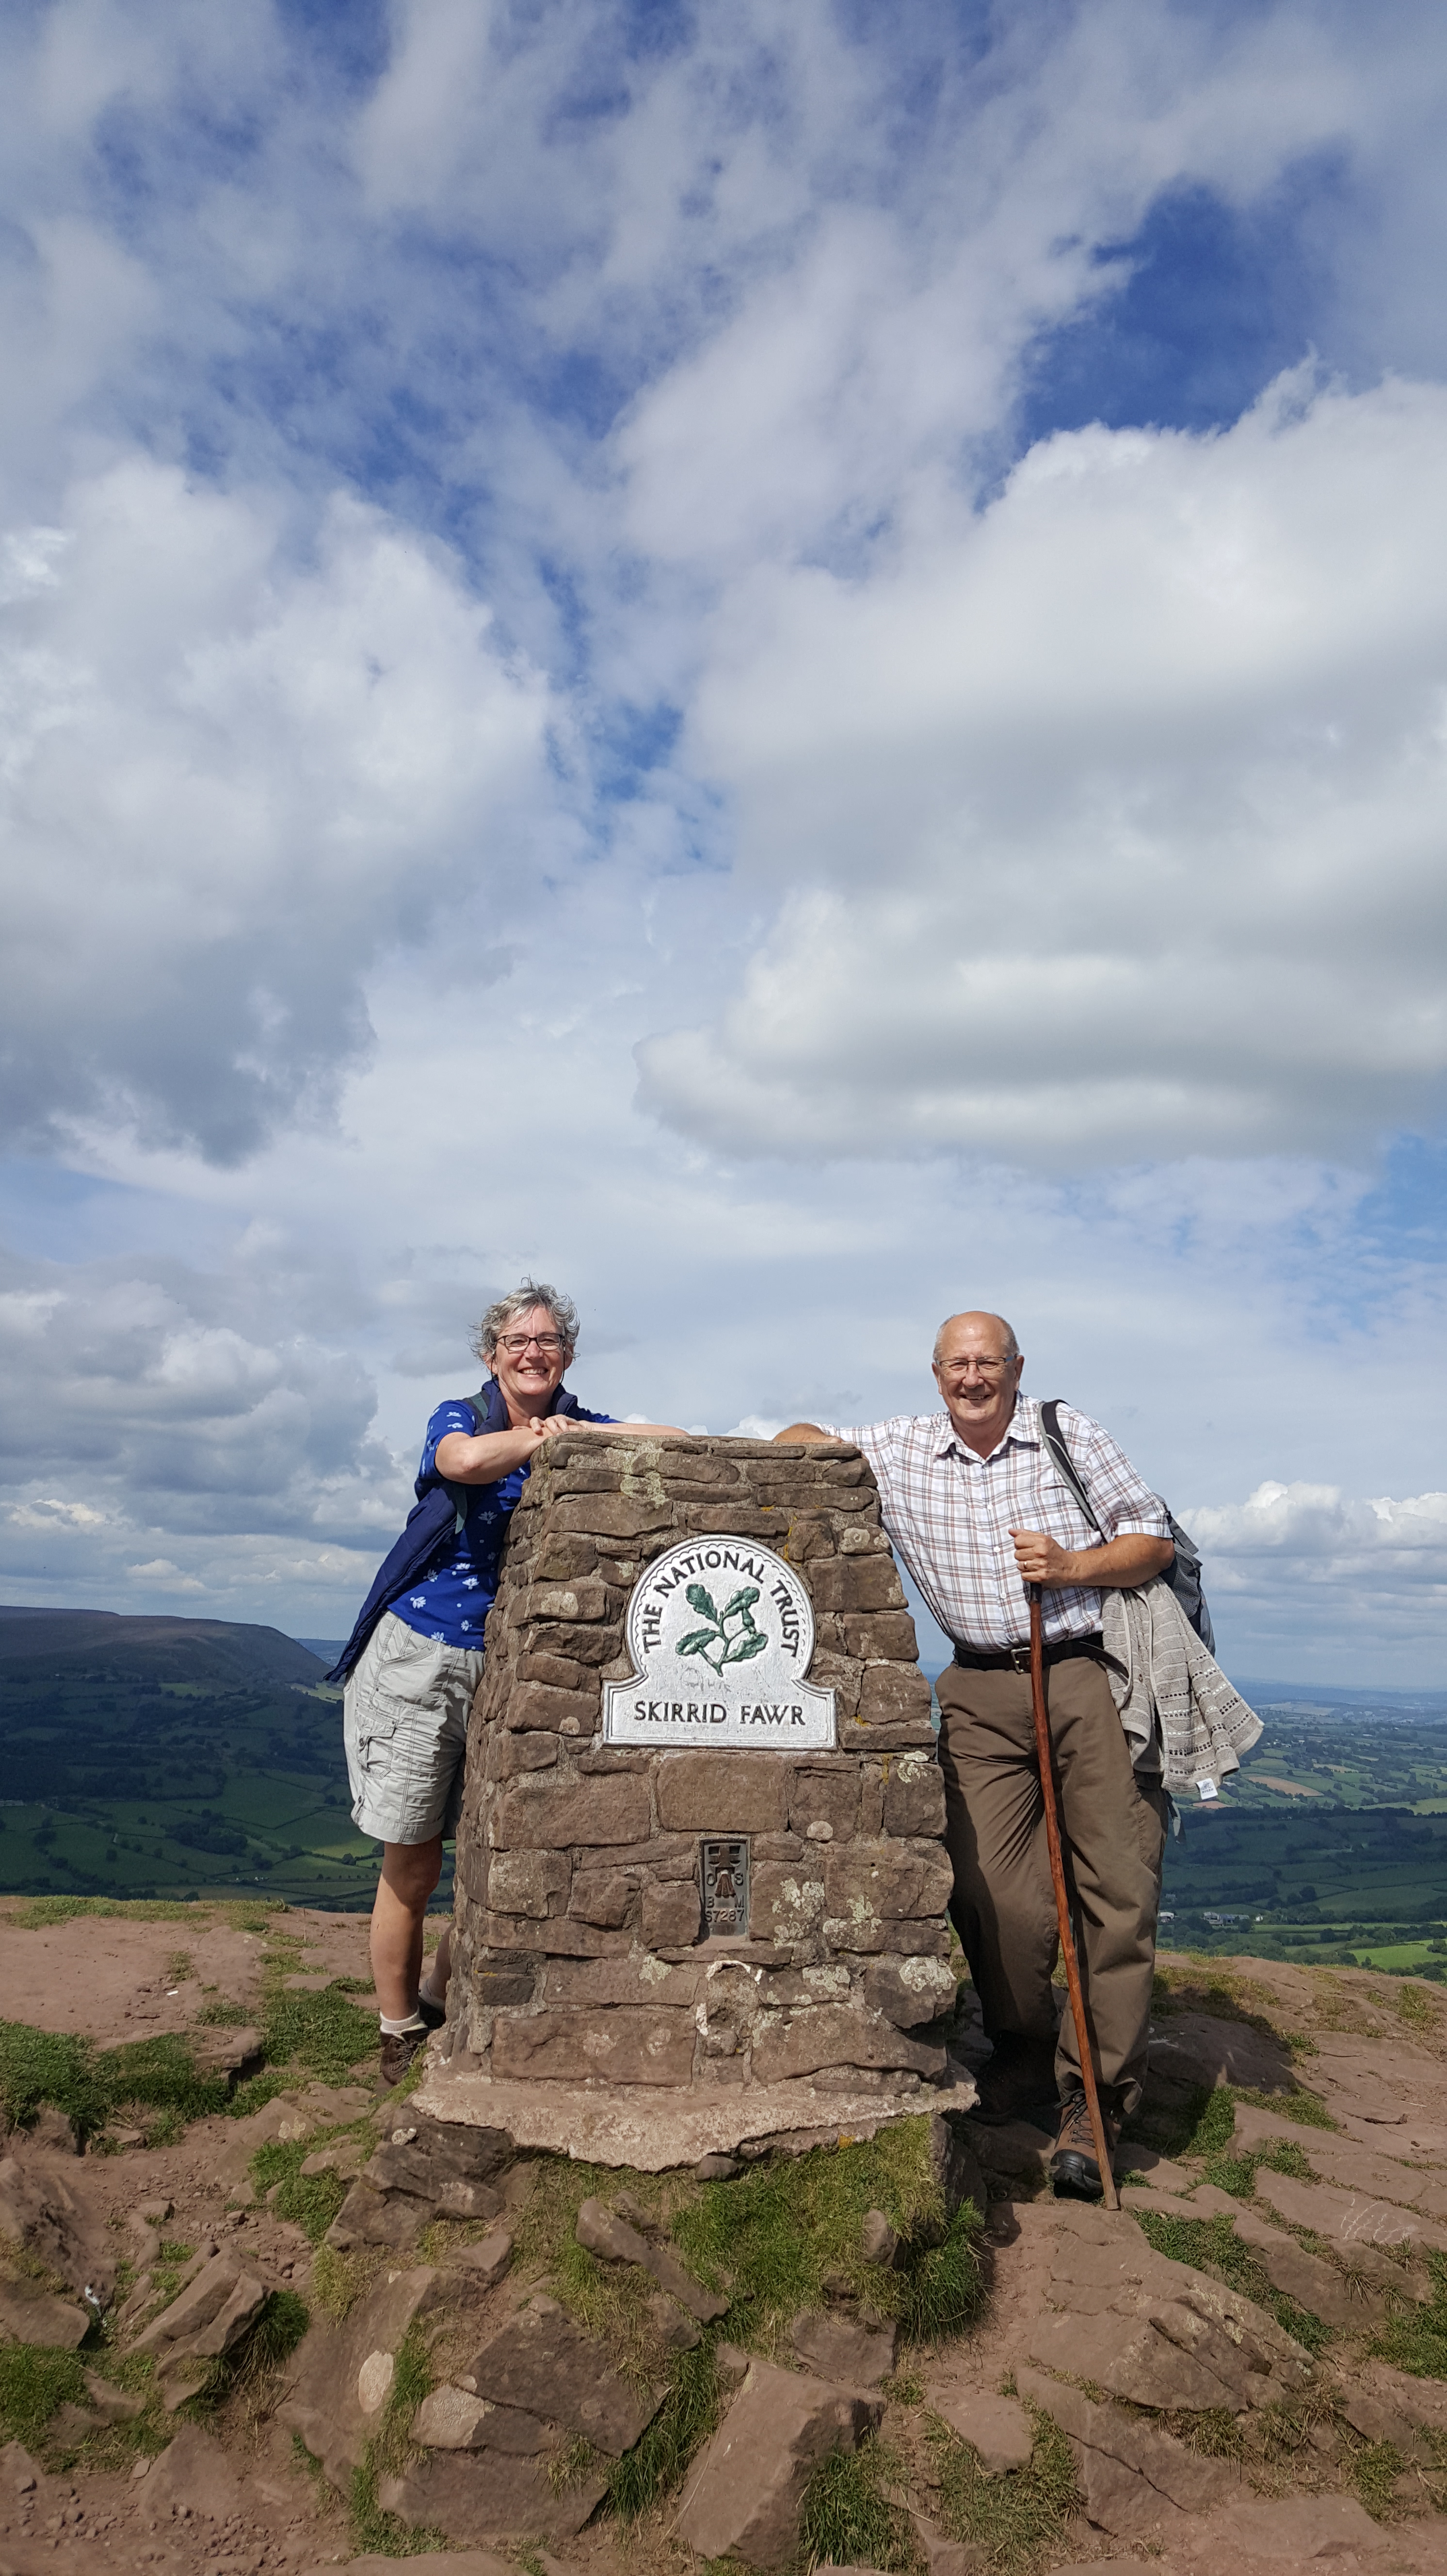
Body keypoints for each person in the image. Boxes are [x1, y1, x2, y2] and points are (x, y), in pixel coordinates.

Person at [774, 1310, 1175, 2199]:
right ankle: (1029, 2051)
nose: (971, 1378)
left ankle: (1096, 2100)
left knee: (1113, 1884)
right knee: (990, 1887)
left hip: (1081, 1673)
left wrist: (1073, 1566)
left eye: (987, 1361)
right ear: (935, 1372)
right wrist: (797, 1448)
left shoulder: (1066, 1434)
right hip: (978, 1686)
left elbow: (1153, 1542)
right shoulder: (905, 1446)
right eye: (956, 1364)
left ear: (1016, 1367)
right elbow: (802, 1439)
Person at [330, 1279, 680, 2088]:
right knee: (413, 1865)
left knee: (499, 1852)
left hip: (512, 1667)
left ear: (568, 1355)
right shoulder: (462, 1417)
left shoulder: (576, 1423)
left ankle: (436, 1993)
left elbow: (671, 1437)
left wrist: (577, 1435)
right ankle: (397, 2028)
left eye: (549, 1341)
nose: (534, 1352)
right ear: (493, 1356)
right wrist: (537, 1443)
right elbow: (461, 1464)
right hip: (422, 1659)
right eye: (518, 1342)